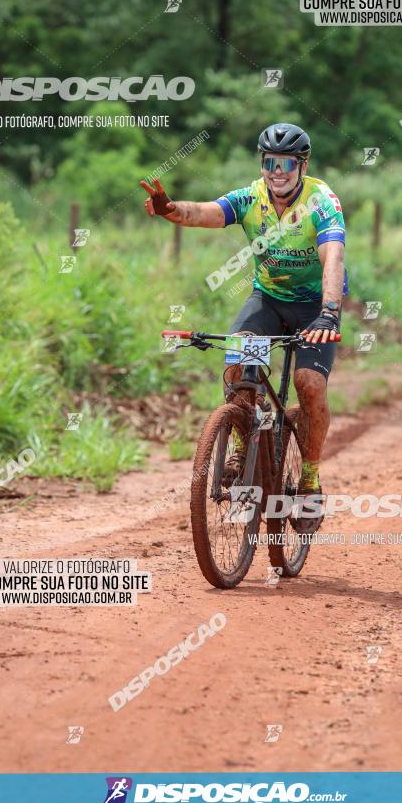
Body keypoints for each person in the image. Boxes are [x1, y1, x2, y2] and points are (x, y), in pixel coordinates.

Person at [140, 122, 345, 522]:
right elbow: (205, 212)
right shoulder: (252, 197)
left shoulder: (322, 201)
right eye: (270, 161)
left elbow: (333, 256)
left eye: (286, 162)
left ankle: (309, 480)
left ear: (303, 165)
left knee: (310, 385)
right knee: (237, 364)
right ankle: (240, 440)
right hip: (267, 299)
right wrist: (169, 209)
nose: (277, 170)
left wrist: (329, 310)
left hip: (313, 307)